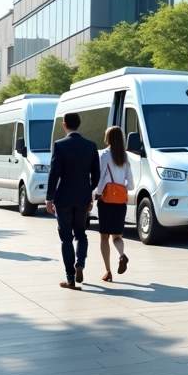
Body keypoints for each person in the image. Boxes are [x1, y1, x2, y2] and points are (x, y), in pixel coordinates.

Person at [46, 112, 99, 290]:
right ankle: (80, 263)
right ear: (79, 124)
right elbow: (97, 175)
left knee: (66, 238)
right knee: (81, 235)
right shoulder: (91, 146)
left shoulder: (59, 145)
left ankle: (70, 277)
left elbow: (54, 173)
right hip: (82, 198)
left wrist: (49, 197)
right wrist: (89, 191)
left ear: (64, 125)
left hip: (64, 199)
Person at [95, 126, 134, 282]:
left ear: (108, 138)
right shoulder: (124, 157)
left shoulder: (104, 155)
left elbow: (101, 176)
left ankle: (108, 271)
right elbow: (130, 184)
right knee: (117, 236)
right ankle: (122, 255)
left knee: (104, 237)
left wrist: (97, 193)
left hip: (106, 200)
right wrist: (121, 187)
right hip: (120, 202)